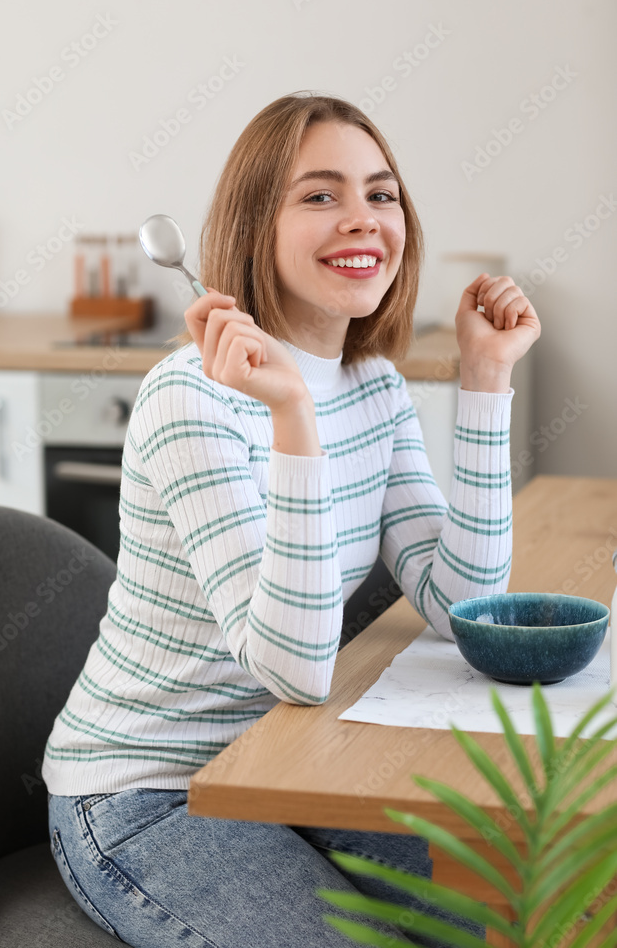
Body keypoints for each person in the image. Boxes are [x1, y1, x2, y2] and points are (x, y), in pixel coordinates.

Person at [43, 92, 540, 947]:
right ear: (253, 224)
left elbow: (465, 610)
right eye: (320, 196)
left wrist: (483, 378)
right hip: (148, 791)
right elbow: (296, 670)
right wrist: (291, 418)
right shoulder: (189, 398)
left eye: (380, 195)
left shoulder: (374, 386)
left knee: (512, 910)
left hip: (288, 763)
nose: (363, 220)